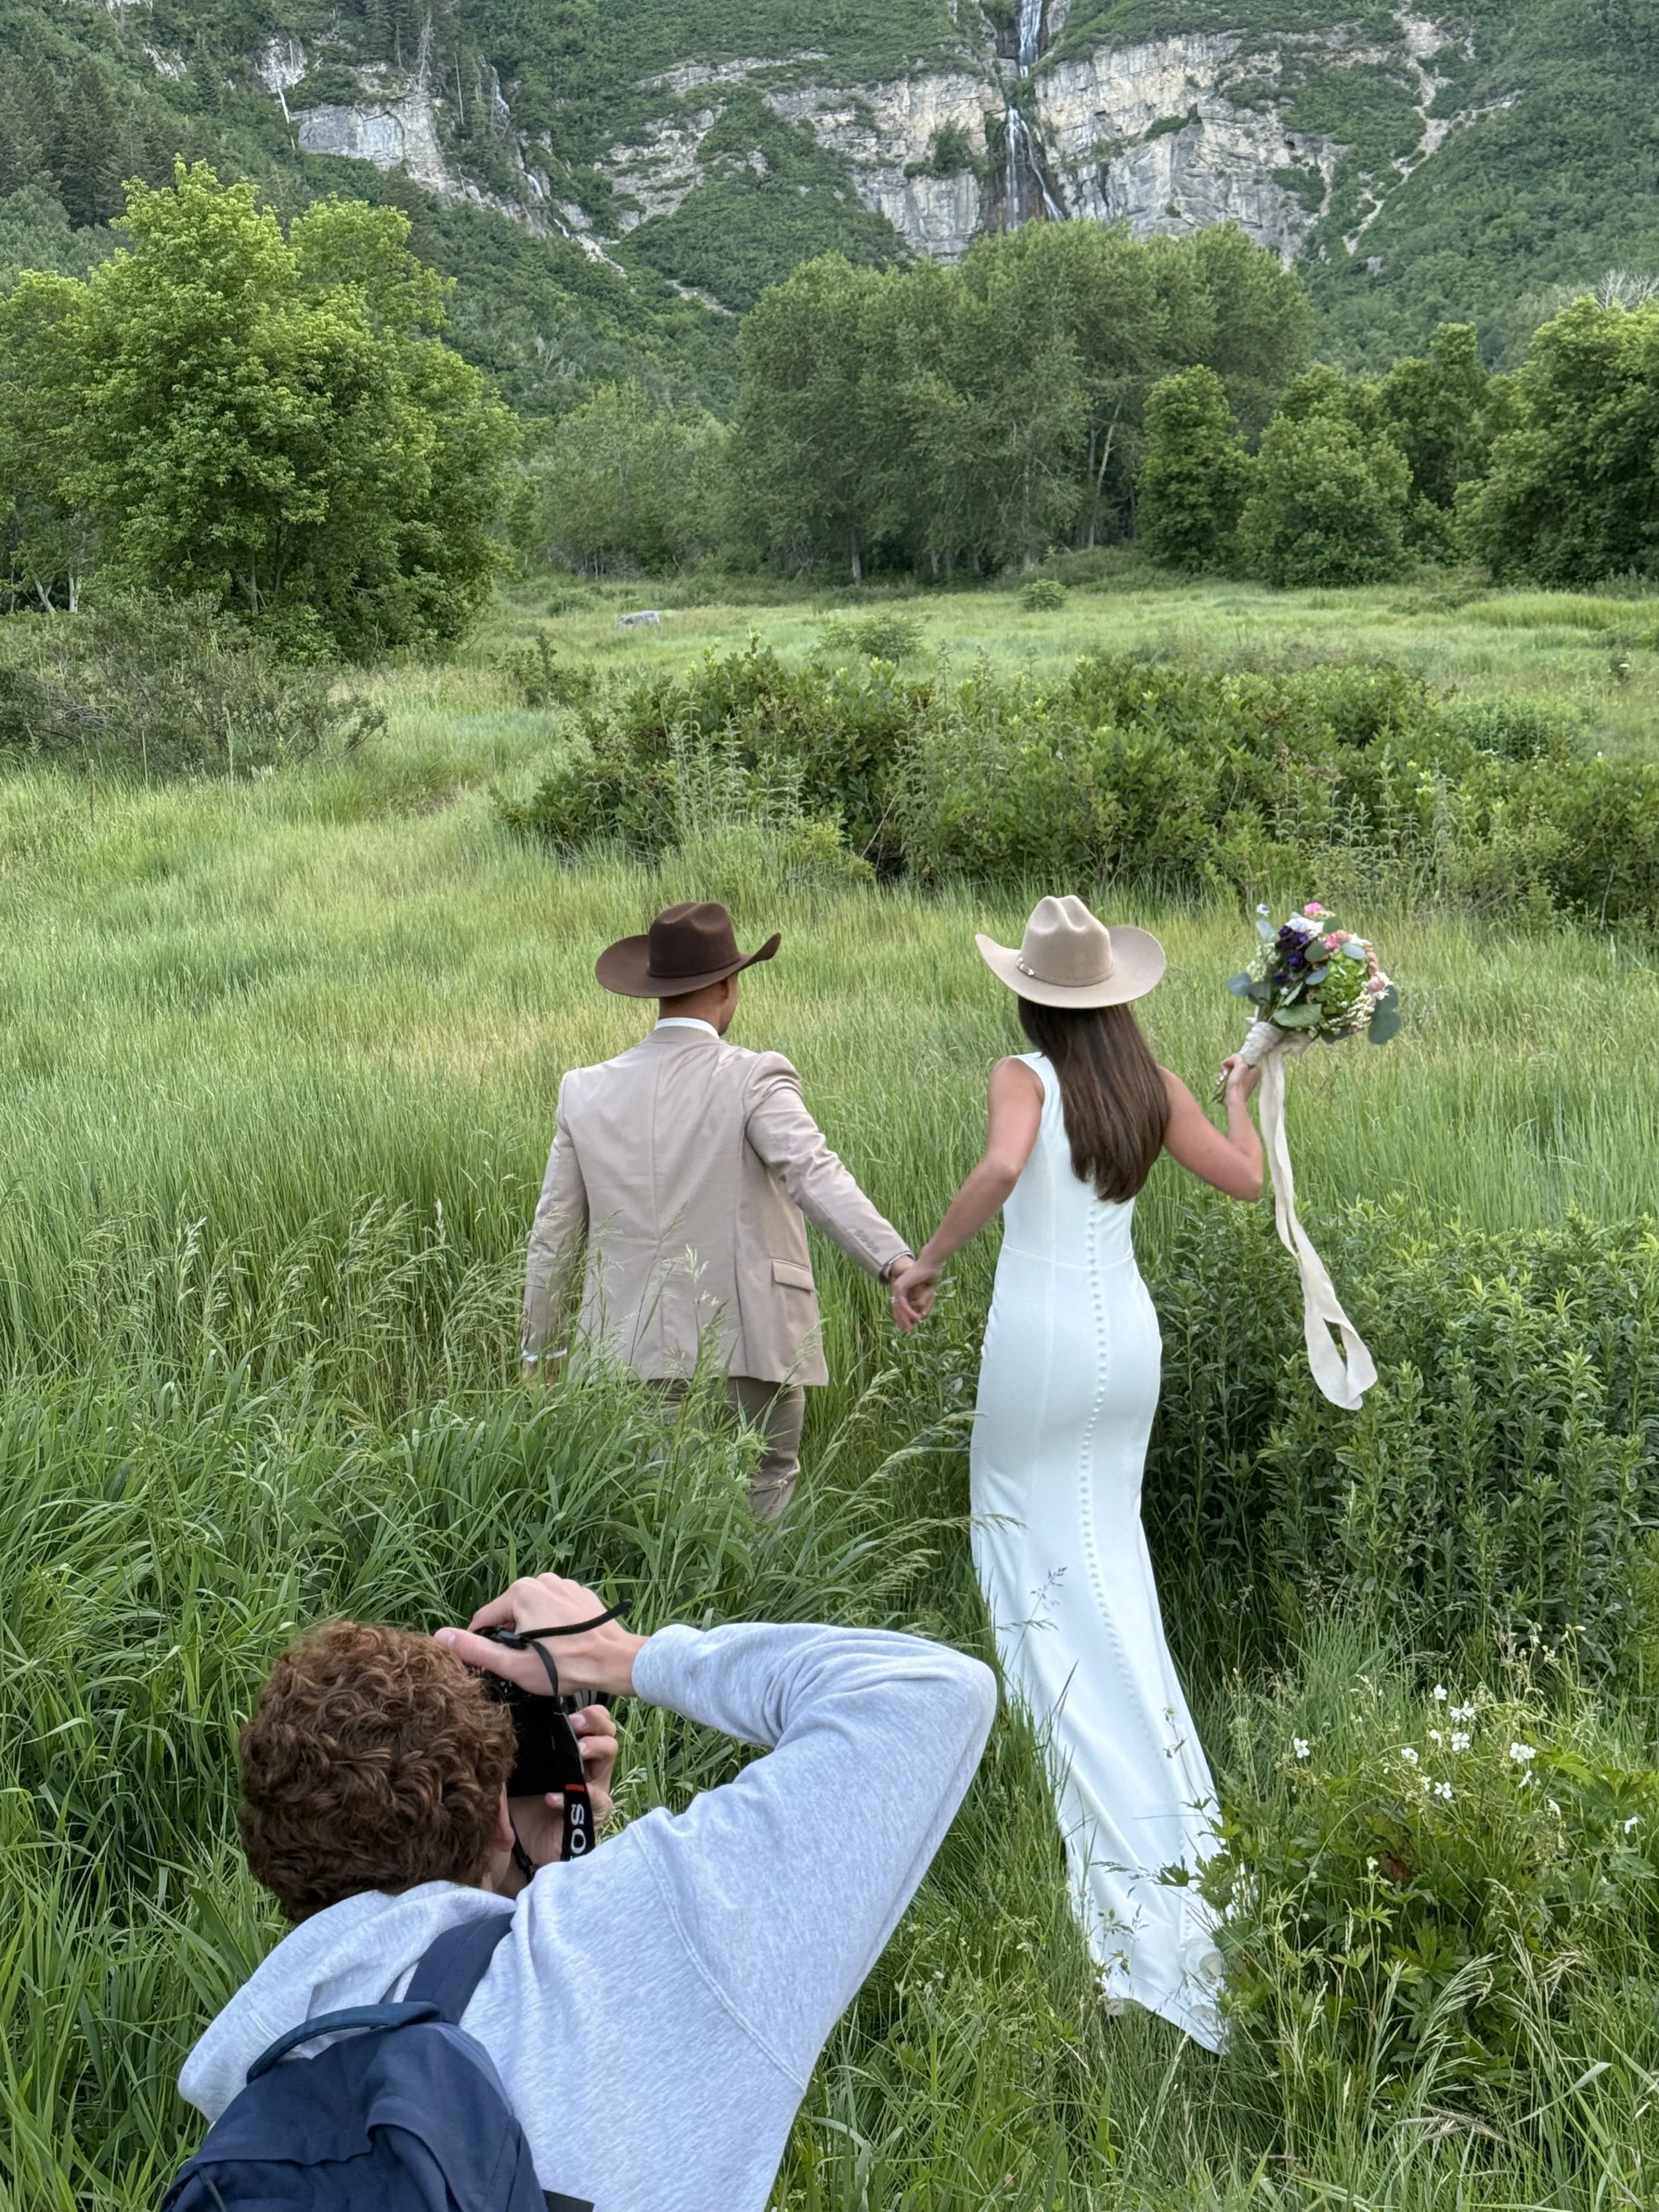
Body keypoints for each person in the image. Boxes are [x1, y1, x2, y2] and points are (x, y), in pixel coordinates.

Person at [180, 1570, 995, 2212]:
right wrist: (618, 1652)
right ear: (499, 1816)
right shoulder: (649, 1939)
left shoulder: (272, 2080)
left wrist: (537, 1875)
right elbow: (929, 1692)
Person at [891, 895, 1263, 2049]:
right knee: (1110, 1549)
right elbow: (1245, 1181)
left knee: (1014, 1526)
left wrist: (928, 1261)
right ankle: (1167, 1778)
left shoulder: (1023, 1074)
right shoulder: (1150, 1086)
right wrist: (1246, 1088)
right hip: (1128, 1339)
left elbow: (1004, 1167)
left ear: (1031, 998)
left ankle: (1072, 1753)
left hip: (1042, 1335)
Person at [522, 899, 914, 1518]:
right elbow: (815, 1172)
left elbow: (554, 1236)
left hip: (630, 1350)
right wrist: (893, 1261)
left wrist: (539, 1350)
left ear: (655, 991)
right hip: (756, 1338)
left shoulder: (584, 1090)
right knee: (767, 1487)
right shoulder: (755, 1076)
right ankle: (761, 1610)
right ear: (729, 985)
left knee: (655, 1521)